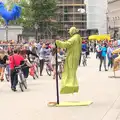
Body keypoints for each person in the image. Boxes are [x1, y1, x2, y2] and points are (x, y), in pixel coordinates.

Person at [55, 27, 82, 94]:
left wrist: (58, 42)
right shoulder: (78, 38)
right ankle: (73, 86)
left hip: (72, 57)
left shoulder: (74, 38)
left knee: (70, 72)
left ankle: (70, 86)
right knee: (72, 72)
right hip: (75, 57)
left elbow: (66, 44)